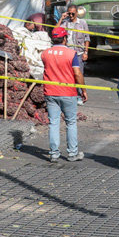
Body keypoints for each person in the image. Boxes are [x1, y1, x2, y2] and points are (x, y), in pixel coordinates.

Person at [40, 26, 86, 162]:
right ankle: (72, 154)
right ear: (65, 38)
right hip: (68, 93)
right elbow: (77, 73)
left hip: (50, 92)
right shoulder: (71, 54)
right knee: (71, 123)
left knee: (53, 123)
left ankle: (54, 153)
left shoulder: (45, 53)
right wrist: (83, 90)